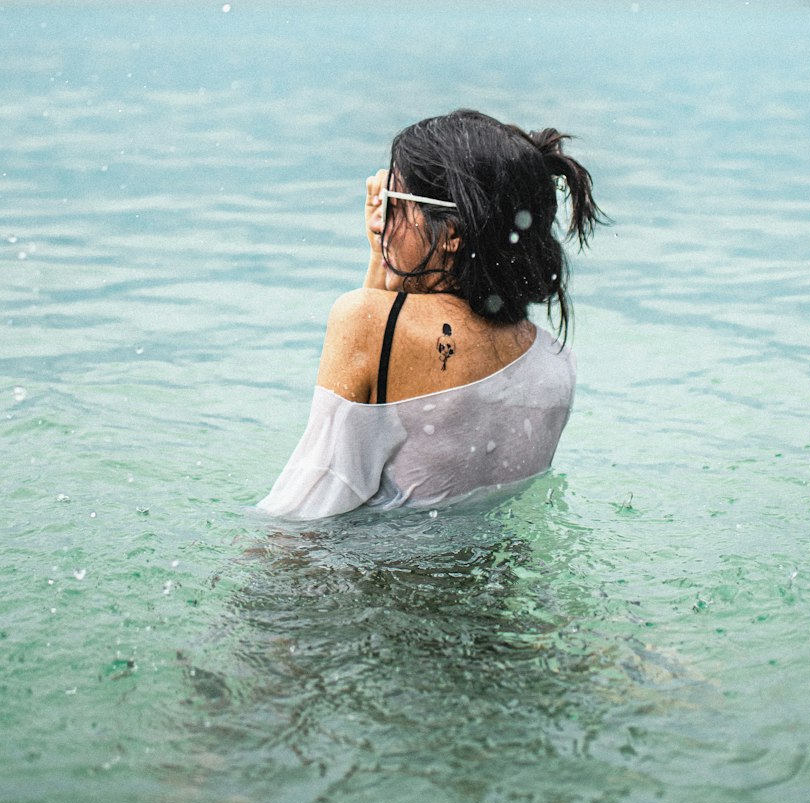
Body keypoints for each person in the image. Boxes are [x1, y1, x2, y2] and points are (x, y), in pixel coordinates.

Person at [257, 108, 601, 520]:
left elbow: (312, 498)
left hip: (377, 581)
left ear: (452, 234)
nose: (383, 218)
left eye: (395, 203)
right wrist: (388, 247)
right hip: (501, 582)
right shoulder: (557, 362)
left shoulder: (367, 320)